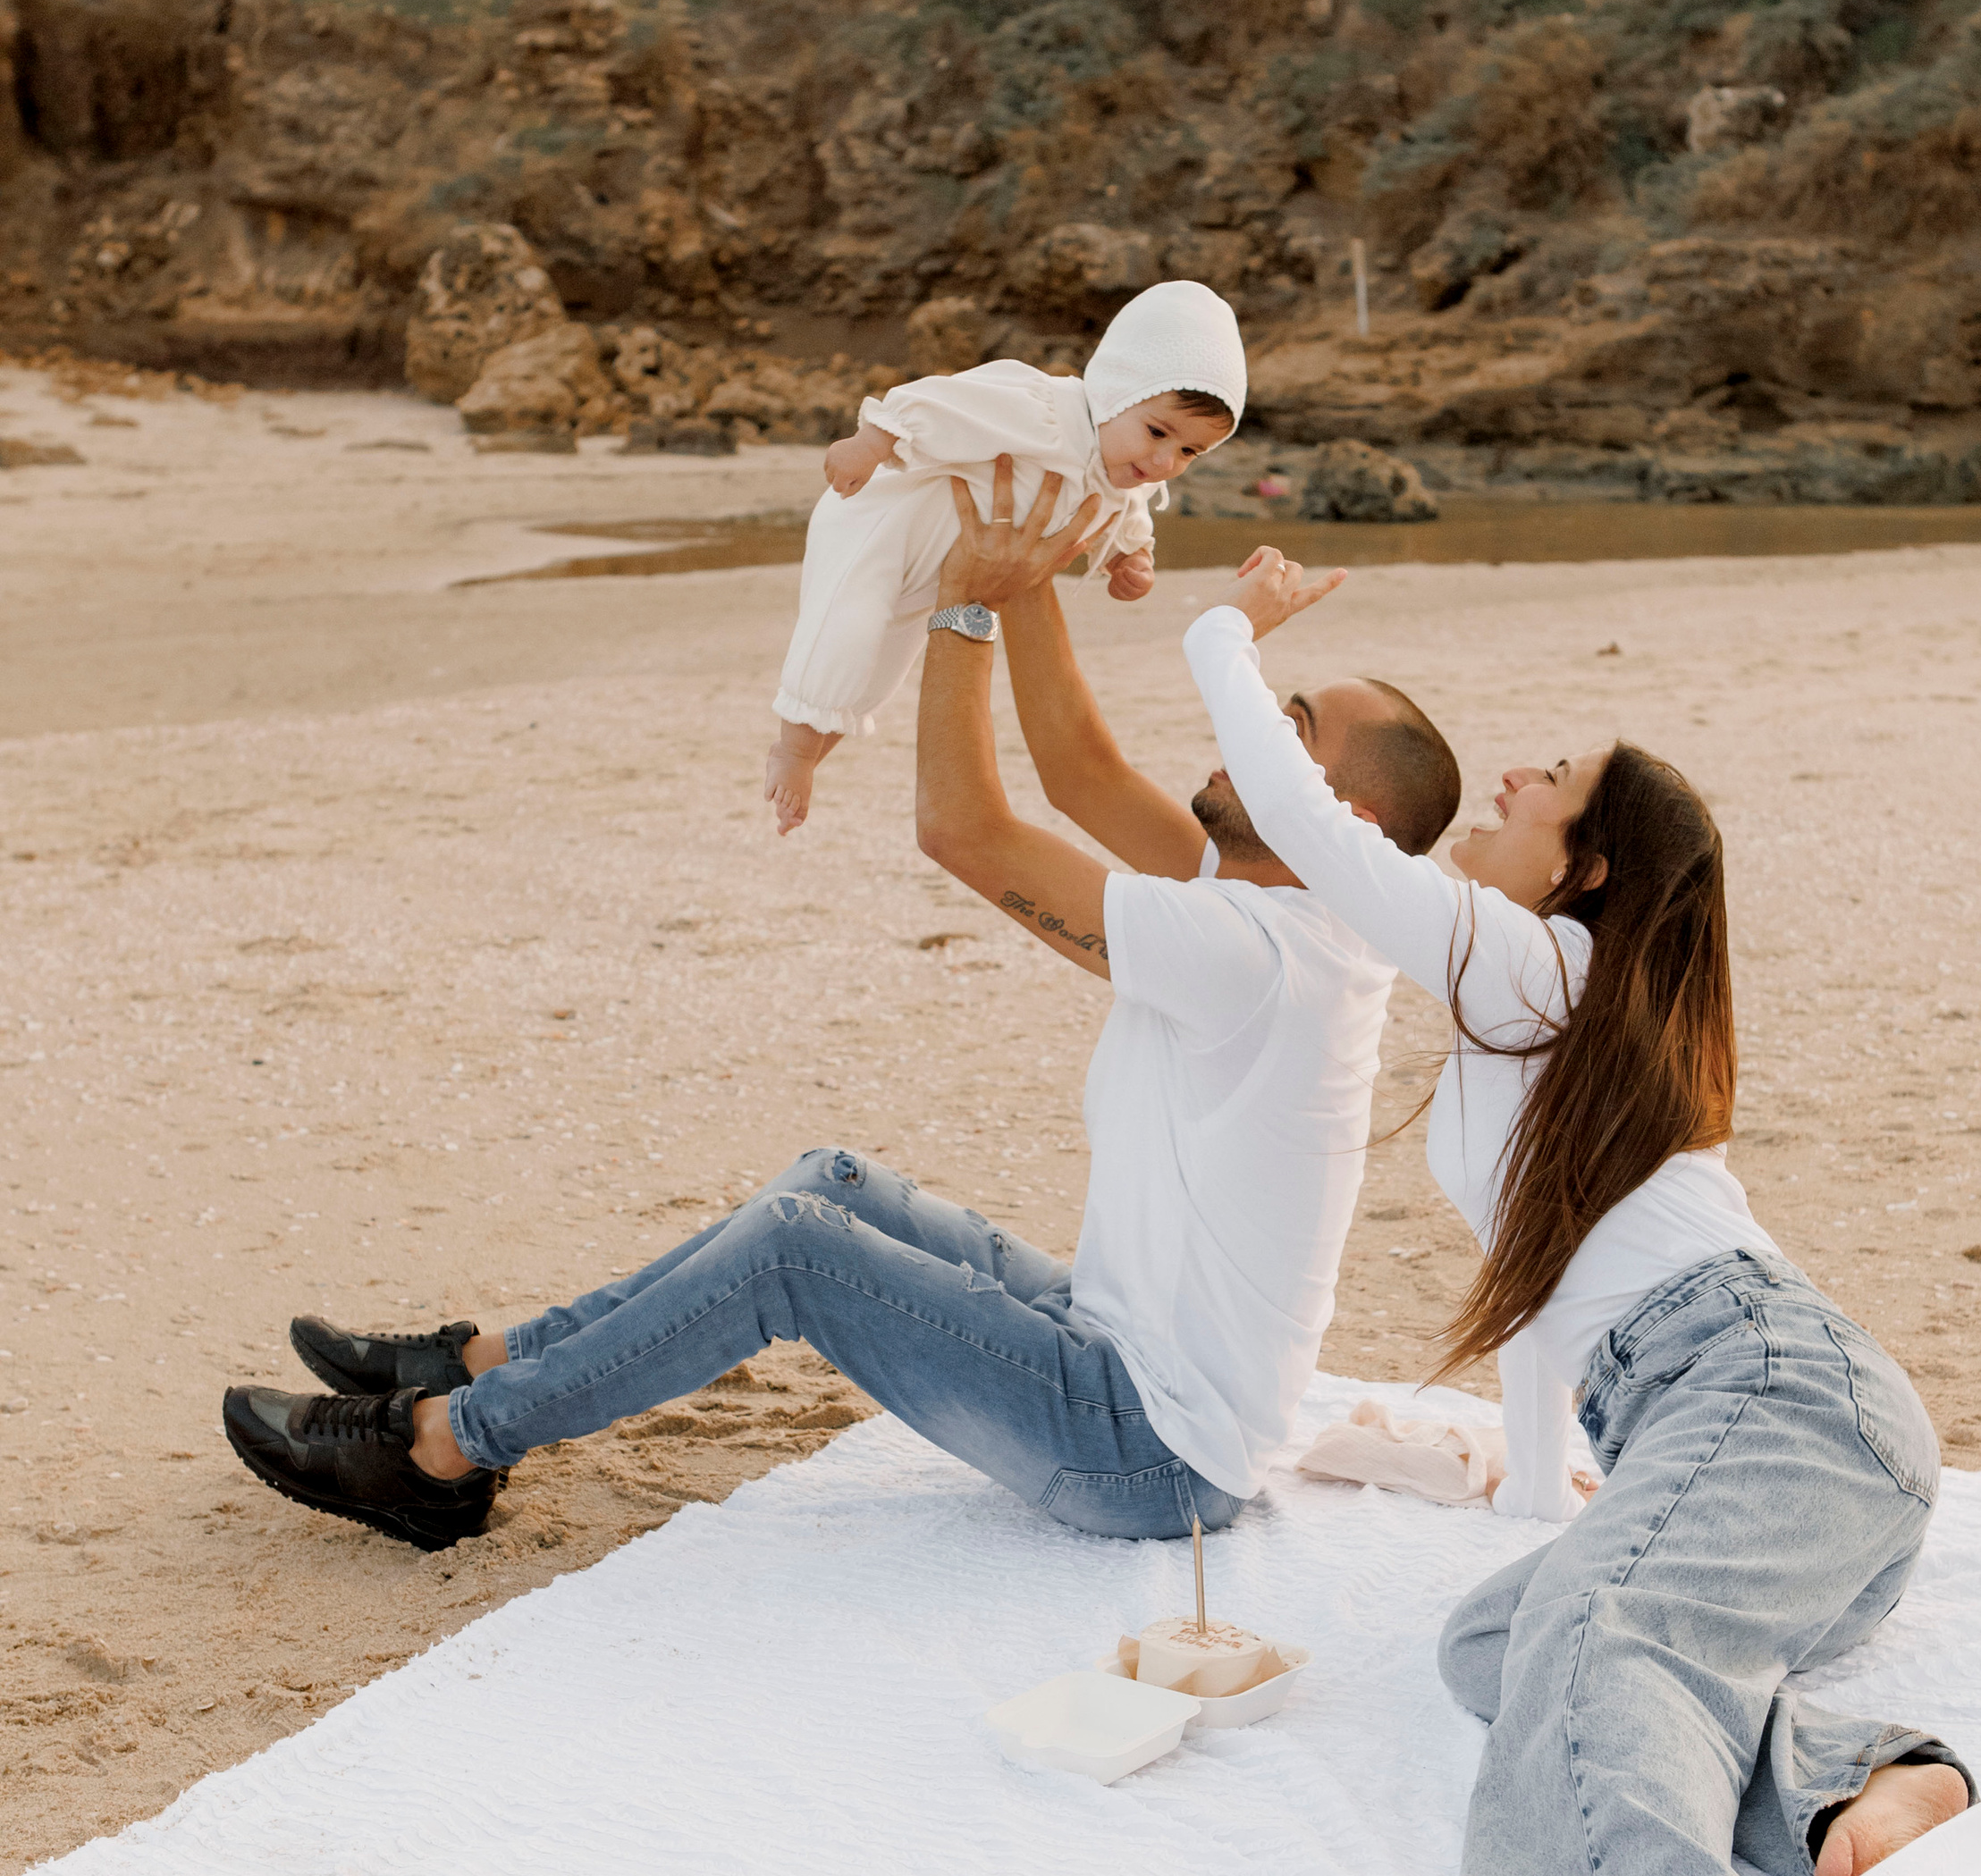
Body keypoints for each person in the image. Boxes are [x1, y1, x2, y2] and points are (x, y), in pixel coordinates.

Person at [221, 467, 1461, 1560]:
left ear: (1340, 820)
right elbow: (1078, 764)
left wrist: (964, 603)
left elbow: (963, 828)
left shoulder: (1264, 953)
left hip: (1144, 1451)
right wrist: (1027, 548)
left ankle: (443, 1451)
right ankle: (487, 1358)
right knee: (835, 1179)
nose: (1254, 727)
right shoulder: (1273, 900)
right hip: (1112, 1339)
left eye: (1290, 728)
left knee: (797, 1252)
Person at [1183, 551, 1975, 1876]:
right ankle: (1867, 1784)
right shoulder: (1543, 1022)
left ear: (1587, 867)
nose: (1509, 780)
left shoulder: (1534, 965)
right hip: (1763, 1447)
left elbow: (1309, 824)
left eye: (1546, 778)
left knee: (1594, 1625)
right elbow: (1548, 1298)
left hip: (1781, 1401)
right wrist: (1545, 1493)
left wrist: (1219, 629)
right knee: (1496, 1637)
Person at [765, 278, 1244, 832]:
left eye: (1189, 451)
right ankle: (793, 752)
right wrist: (872, 444)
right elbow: (943, 400)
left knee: (884, 664)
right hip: (880, 527)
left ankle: (813, 755)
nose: (1165, 460)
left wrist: (1129, 560)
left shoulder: (1121, 473)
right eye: (1158, 431)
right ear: (1115, 391)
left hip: (944, 566)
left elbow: (1127, 513)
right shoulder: (1041, 408)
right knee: (847, 631)